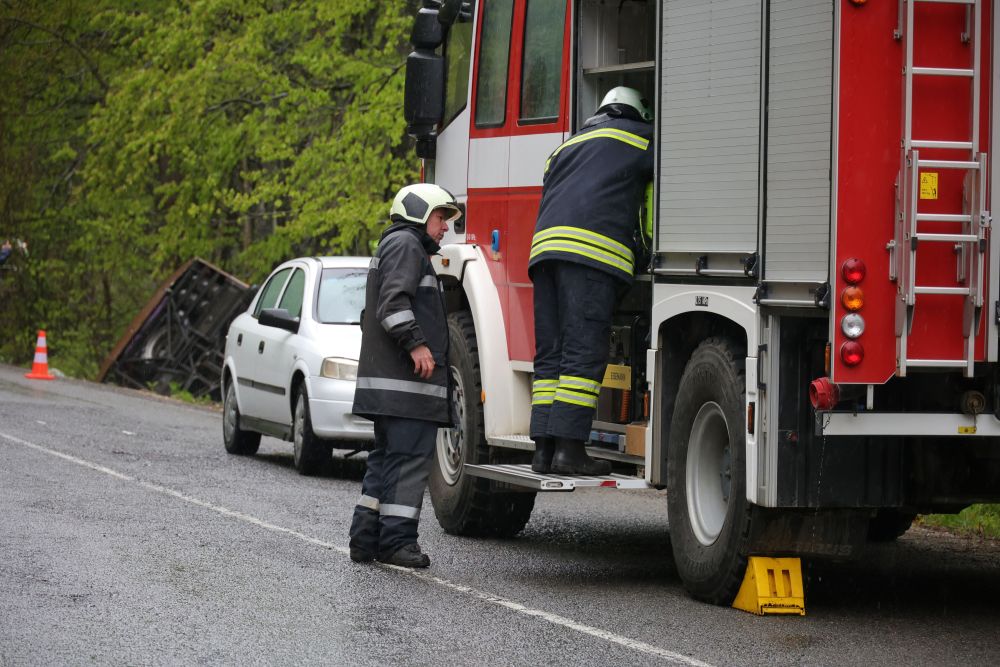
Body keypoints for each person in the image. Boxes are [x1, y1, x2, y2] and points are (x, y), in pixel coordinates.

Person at [528, 86, 655, 476]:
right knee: (583, 352)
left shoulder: (565, 148)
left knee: (552, 353)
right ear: (637, 111)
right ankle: (570, 452)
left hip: (544, 254)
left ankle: (544, 451)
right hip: (590, 256)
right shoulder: (641, 138)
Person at [349, 183, 462, 568]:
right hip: (406, 390)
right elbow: (393, 304)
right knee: (410, 461)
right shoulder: (406, 245)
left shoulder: (398, 245)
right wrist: (417, 344)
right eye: (440, 217)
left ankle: (365, 539)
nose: (445, 226)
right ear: (418, 212)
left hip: (392, 390)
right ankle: (397, 543)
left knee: (386, 460)